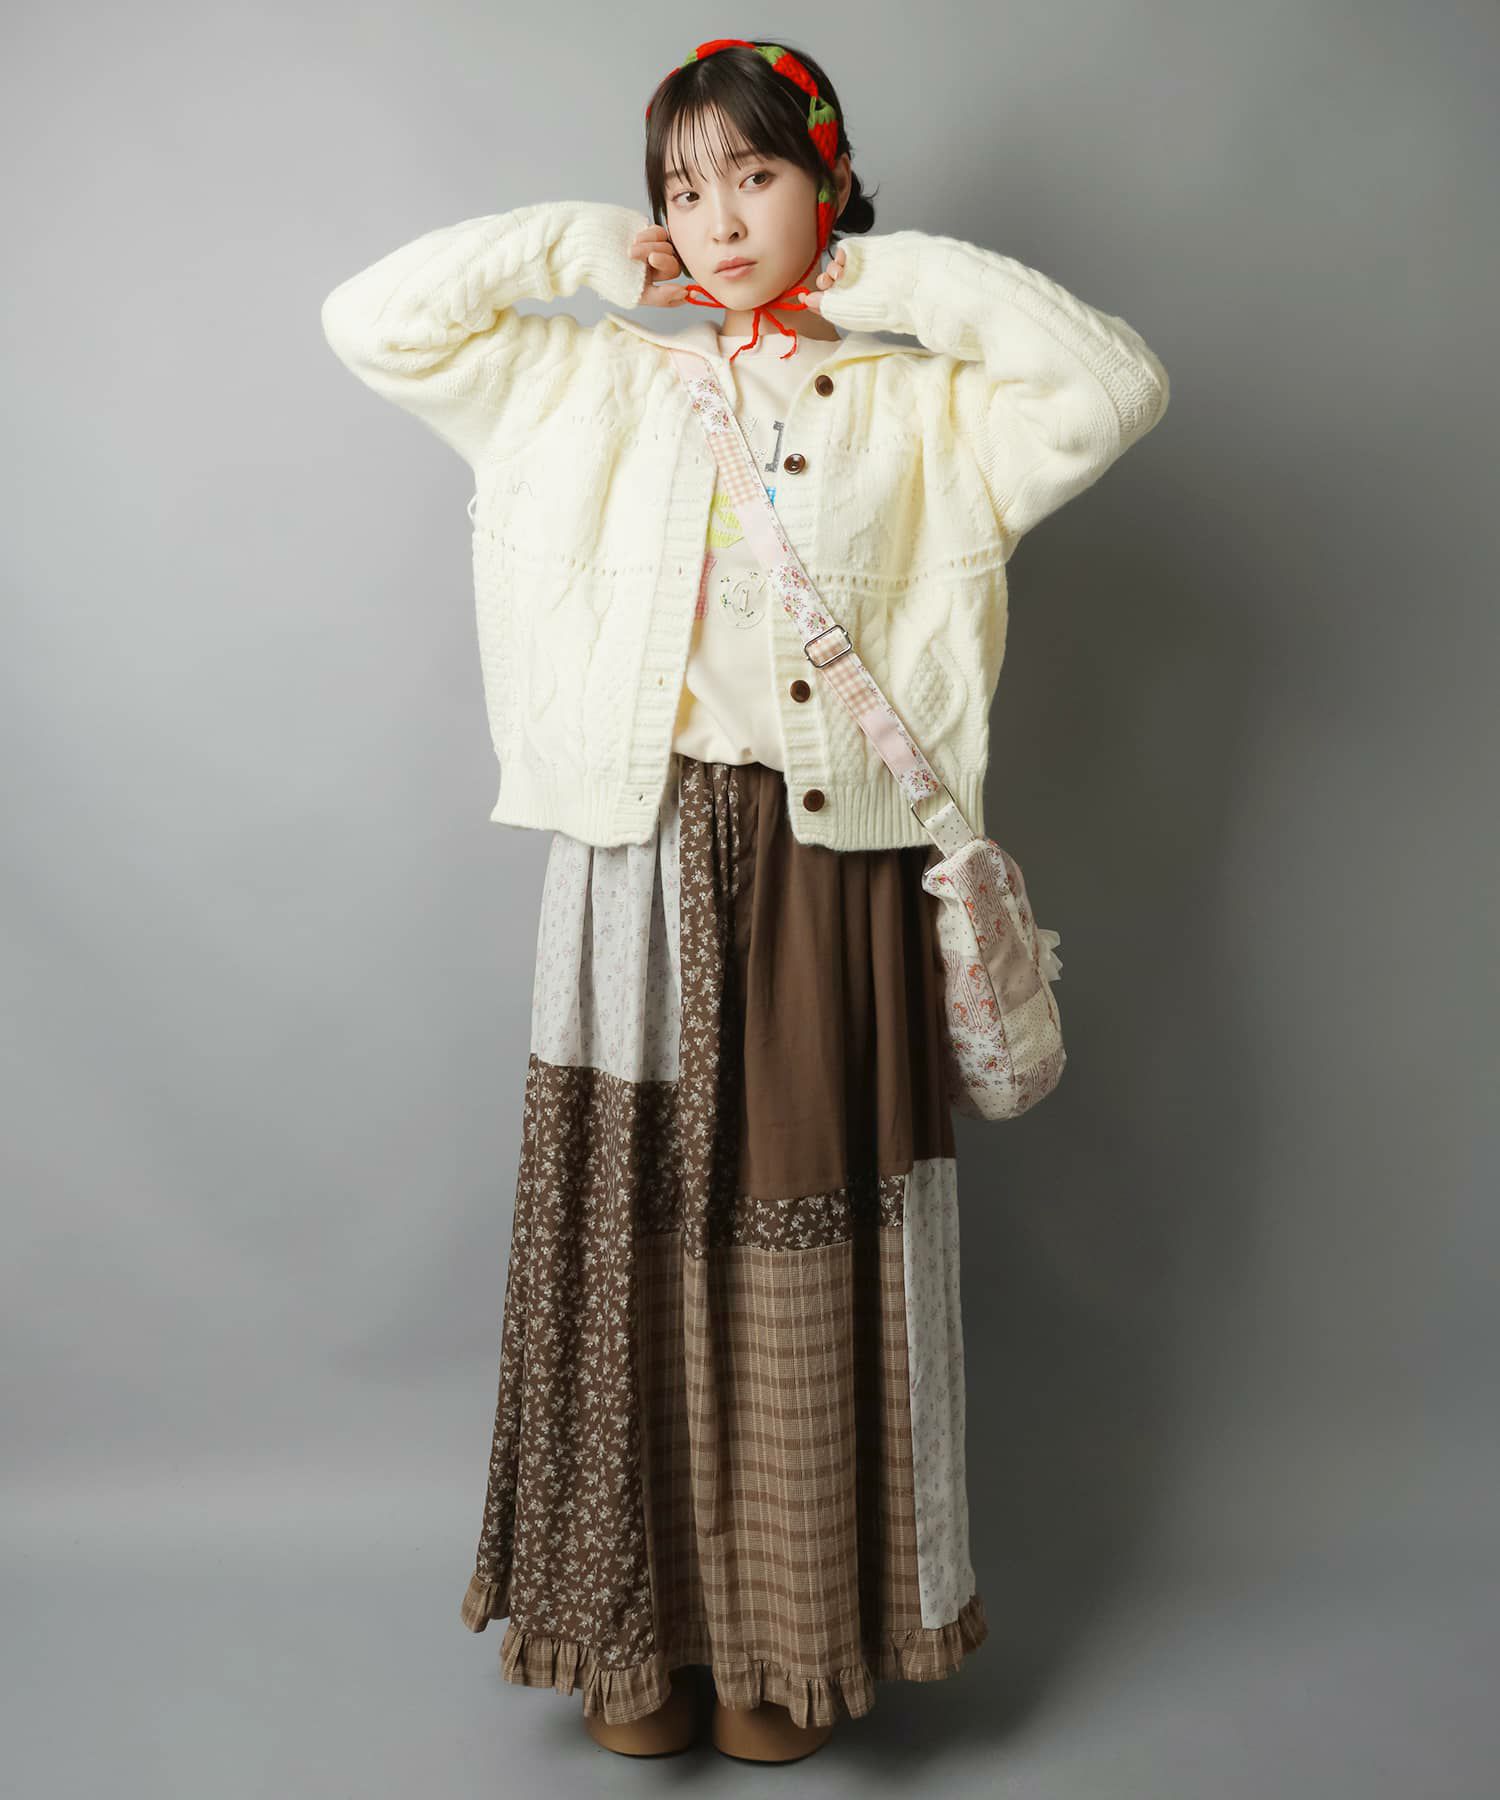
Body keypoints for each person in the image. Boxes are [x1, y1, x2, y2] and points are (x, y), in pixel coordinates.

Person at [319, 36, 1169, 1767]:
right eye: (681, 187)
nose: (715, 219)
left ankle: (787, 1648)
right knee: (618, 1230)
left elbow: (1112, 387)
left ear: (825, 185)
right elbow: (374, 320)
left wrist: (886, 280)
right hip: (627, 854)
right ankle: (624, 1639)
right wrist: (585, 251)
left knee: (805, 1241)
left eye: (756, 176)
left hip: (828, 869)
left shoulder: (923, 405)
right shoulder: (583, 378)